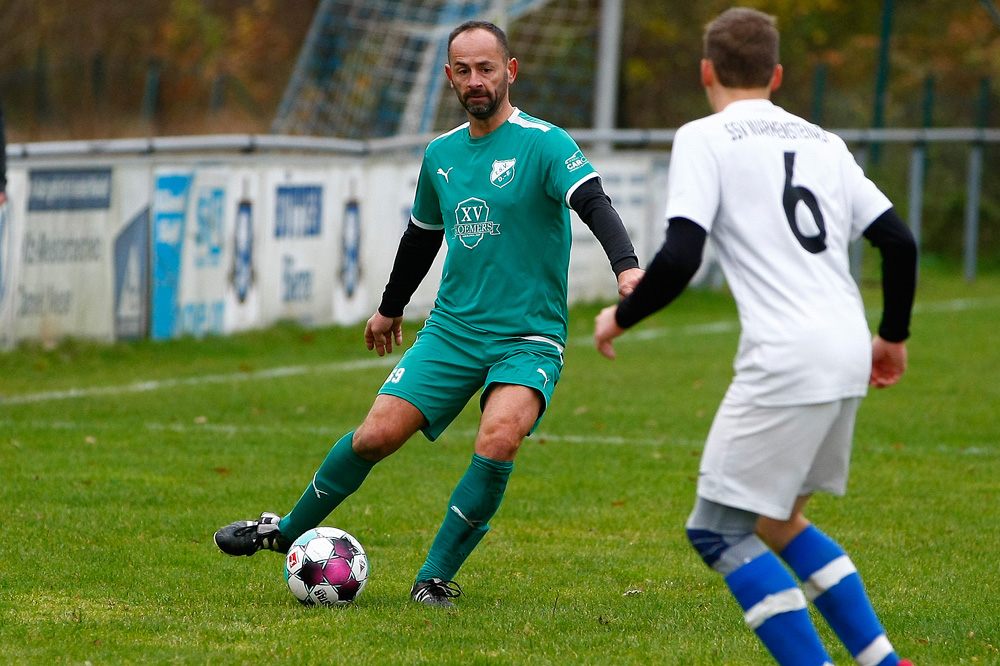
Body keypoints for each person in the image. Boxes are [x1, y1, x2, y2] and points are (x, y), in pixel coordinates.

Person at [215, 20, 643, 608]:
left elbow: (593, 202)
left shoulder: (546, 143)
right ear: (449, 77)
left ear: (510, 70)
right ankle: (285, 530)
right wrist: (389, 310)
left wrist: (626, 267)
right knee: (373, 437)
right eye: (463, 71)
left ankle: (433, 578)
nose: (476, 81)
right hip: (452, 331)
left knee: (499, 437)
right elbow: (421, 237)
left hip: (528, 338)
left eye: (487, 68)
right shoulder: (440, 155)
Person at [593, 8, 916, 666]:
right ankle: (884, 662)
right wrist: (893, 337)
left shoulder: (706, 137)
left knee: (714, 531)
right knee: (773, 520)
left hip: (787, 359)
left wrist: (619, 316)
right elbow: (898, 242)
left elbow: (682, 255)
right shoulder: (825, 143)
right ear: (777, 74)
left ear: (706, 70)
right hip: (847, 348)